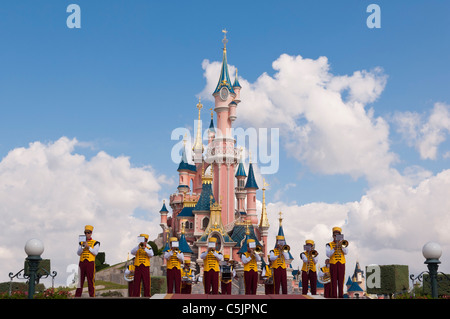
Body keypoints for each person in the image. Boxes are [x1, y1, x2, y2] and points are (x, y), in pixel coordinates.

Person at [75, 225, 100, 297]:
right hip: (82, 262)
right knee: (80, 281)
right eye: (85, 232)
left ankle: (92, 296)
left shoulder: (96, 242)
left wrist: (88, 247)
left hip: (90, 263)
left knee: (90, 280)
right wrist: (83, 246)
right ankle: (77, 296)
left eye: (88, 232)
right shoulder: (81, 243)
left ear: (91, 233)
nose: (87, 234)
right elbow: (78, 253)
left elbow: (95, 253)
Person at [326, 227, 348, 298]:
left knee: (341, 281)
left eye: (338, 235)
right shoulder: (329, 244)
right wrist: (335, 248)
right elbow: (328, 254)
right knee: (333, 281)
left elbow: (346, 252)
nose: (336, 237)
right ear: (333, 236)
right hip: (333, 264)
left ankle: (341, 296)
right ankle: (334, 296)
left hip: (341, 263)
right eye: (335, 235)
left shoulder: (343, 243)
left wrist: (341, 245)